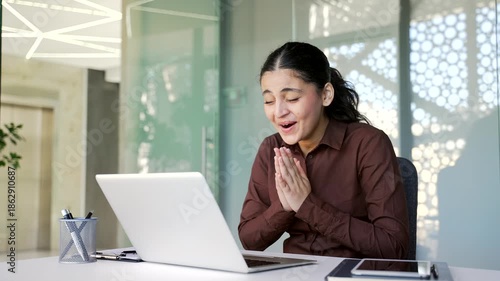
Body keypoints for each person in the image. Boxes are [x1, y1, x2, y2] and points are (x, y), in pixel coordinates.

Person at [238, 42, 409, 259]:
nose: (279, 112)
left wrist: (307, 205)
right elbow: (249, 240)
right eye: (269, 101)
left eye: (292, 98)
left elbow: (394, 246)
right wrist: (284, 207)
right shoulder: (271, 149)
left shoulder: (368, 143)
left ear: (326, 94)